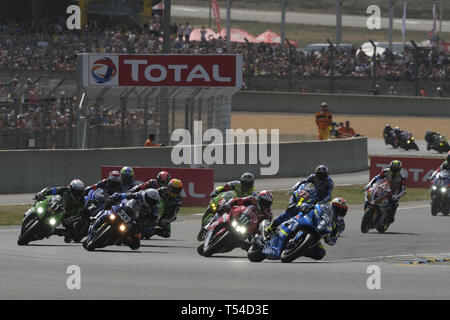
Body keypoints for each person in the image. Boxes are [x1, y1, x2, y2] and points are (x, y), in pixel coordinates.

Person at [262, 197, 348, 261]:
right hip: (307, 220)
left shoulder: (337, 225)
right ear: (333, 206)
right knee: (292, 209)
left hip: (316, 235)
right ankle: (272, 226)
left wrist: (330, 238)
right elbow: (313, 206)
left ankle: (298, 249)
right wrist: (304, 206)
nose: (340, 212)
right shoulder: (324, 207)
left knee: (320, 253)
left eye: (342, 211)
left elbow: (333, 240)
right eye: (338, 209)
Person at [265, 165, 334, 233]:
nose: (321, 176)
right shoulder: (313, 177)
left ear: (326, 174)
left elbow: (329, 195)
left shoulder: (329, 182)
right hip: (310, 196)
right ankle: (272, 226)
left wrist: (322, 202)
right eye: (319, 174)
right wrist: (295, 188)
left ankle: (318, 231)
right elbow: (304, 183)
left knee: (318, 215)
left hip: (320, 201)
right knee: (291, 209)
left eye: (323, 175)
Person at [86, 188, 160, 250]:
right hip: (124, 210)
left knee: (135, 245)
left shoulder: (153, 207)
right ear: (146, 196)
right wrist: (115, 196)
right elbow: (124, 195)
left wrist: (152, 217)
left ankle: (121, 240)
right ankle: (95, 219)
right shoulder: (139, 195)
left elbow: (156, 216)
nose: (151, 202)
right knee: (107, 211)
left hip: (135, 220)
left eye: (153, 201)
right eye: (150, 200)